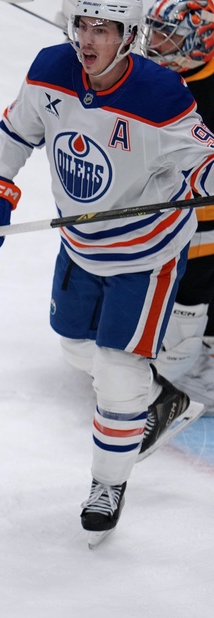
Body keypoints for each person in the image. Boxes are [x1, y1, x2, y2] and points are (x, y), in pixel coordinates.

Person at [0, 0, 214, 545]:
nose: (89, 40)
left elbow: (205, 164)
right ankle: (161, 396)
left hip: (146, 257)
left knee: (118, 375)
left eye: (104, 29)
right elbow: (16, 130)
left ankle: (107, 484)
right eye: (83, 26)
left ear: (128, 35)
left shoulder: (162, 96)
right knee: (75, 348)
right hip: (81, 245)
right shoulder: (50, 69)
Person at [146, 1, 214, 408]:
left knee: (195, 289)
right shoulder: (153, 76)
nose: (153, 42)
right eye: (152, 29)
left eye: (165, 34)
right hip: (166, 215)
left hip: (203, 222)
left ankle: (200, 370)